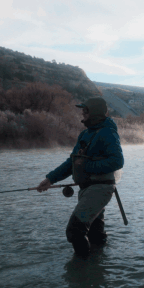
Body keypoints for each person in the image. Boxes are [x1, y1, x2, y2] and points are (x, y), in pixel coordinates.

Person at [37, 97, 124, 257]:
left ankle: (82, 270)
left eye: (85, 111)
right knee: (95, 234)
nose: (82, 114)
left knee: (75, 230)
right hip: (86, 189)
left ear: (95, 113)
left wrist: (87, 167)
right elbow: (72, 162)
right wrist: (50, 179)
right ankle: (98, 267)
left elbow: (117, 161)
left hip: (100, 189)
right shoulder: (84, 134)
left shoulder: (108, 133)